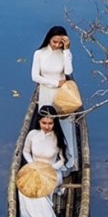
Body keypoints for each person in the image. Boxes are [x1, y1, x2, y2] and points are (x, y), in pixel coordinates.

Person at [31, 25, 77, 174]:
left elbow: (69, 71)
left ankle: (69, 161)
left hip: (63, 96)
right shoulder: (39, 54)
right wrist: (54, 83)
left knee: (65, 126)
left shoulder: (64, 53)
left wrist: (67, 50)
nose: (57, 45)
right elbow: (35, 76)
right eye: (54, 42)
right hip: (46, 92)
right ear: (49, 39)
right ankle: (47, 159)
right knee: (47, 126)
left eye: (60, 42)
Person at [18, 106, 68, 217]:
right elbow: (25, 151)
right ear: (39, 122)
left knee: (39, 191)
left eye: (50, 123)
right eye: (44, 123)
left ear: (54, 123)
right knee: (24, 190)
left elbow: (62, 160)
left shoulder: (58, 138)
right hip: (34, 170)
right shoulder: (32, 135)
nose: (47, 126)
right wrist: (33, 165)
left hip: (51, 173)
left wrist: (50, 169)